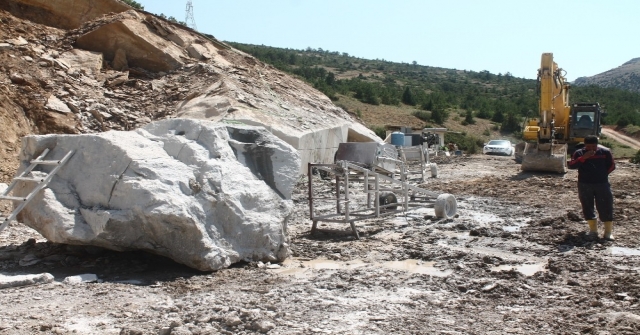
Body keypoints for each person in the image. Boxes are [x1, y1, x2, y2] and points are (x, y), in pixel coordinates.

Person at [568, 135, 616, 240]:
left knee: (606, 205)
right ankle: (593, 231)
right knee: (587, 206)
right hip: (584, 184)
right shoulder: (579, 153)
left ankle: (608, 232)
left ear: (597, 145)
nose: (591, 149)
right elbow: (571, 165)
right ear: (585, 146)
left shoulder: (605, 152)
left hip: (602, 183)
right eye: (588, 147)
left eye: (593, 146)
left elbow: (612, 165)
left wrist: (603, 175)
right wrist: (583, 158)